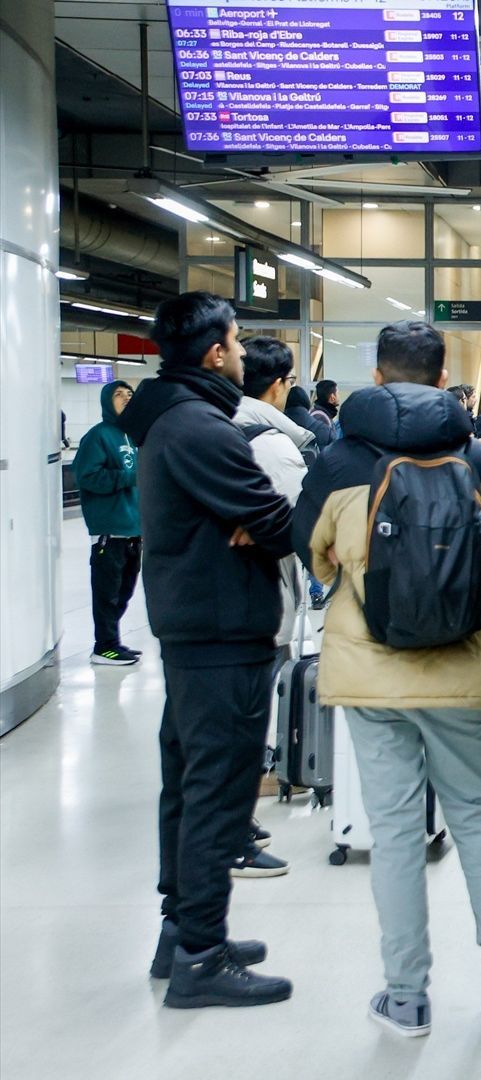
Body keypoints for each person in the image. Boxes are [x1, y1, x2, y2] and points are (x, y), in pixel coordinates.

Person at [293, 321, 481, 1037]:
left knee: (397, 831)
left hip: (370, 674)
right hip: (460, 667)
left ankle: (406, 997)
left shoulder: (338, 461)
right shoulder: (479, 458)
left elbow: (316, 561)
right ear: (441, 380)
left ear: (376, 376)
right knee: (475, 815)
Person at [118, 291, 295, 1008]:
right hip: (222, 632)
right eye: (238, 342)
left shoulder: (176, 420)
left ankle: (181, 934)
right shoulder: (202, 430)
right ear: (215, 352)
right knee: (217, 793)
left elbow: (259, 517)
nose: (246, 354)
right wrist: (266, 521)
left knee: (190, 786)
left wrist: (256, 520)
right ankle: (200, 956)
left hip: (197, 629)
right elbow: (281, 522)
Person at [226, 337, 317, 880]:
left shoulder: (219, 426)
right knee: (245, 712)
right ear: (279, 385)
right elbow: (300, 525)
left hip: (230, 597)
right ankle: (233, 831)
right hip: (255, 598)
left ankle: (237, 820)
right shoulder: (273, 443)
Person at [72, 379, 143, 666]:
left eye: (130, 394)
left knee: (124, 591)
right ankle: (104, 646)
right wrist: (128, 478)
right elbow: (87, 476)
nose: (126, 398)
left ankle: (112, 642)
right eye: (118, 394)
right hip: (109, 531)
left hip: (133, 530)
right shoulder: (98, 436)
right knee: (107, 594)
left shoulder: (135, 435)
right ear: (106, 401)